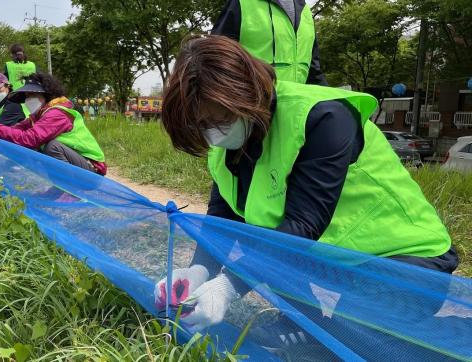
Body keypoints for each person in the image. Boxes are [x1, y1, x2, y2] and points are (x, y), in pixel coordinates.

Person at [155, 35, 458, 350]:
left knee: (358, 340)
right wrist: (199, 270)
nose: (212, 133)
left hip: (405, 263)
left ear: (247, 96)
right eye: (201, 126)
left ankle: (440, 331)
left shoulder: (324, 118)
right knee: (290, 283)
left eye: (217, 120)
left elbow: (302, 228)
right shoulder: (231, 142)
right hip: (332, 264)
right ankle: (309, 327)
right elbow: (224, 217)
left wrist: (227, 287)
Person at [0, 72, 107, 175]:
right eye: (27, 96)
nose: (29, 99)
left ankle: (69, 190)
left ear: (46, 95)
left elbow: (29, 138)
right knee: (38, 145)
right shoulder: (39, 114)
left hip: (92, 169)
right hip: (78, 164)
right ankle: (60, 187)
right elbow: (14, 129)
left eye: (33, 95)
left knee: (51, 146)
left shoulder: (57, 113)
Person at [212, 0, 326, 85]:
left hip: (295, 112)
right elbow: (214, 61)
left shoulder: (305, 11)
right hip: (251, 110)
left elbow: (314, 73)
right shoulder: (242, 3)